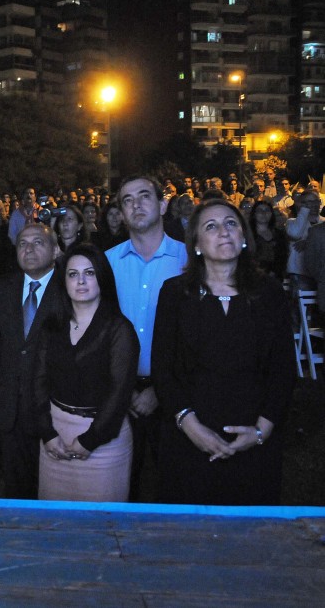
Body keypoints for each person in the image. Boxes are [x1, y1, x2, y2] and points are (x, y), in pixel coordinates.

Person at [152, 199, 295, 505]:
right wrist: (191, 427)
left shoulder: (270, 294)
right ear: (197, 245)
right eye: (211, 226)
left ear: (244, 237)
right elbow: (163, 370)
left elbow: (283, 370)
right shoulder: (174, 294)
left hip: (255, 445)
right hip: (188, 442)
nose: (224, 232)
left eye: (231, 224)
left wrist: (260, 431)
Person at [33, 244, 139, 502]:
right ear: (64, 281)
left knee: (102, 528)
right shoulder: (52, 325)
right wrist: (47, 433)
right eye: (73, 274)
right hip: (53, 440)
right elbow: (38, 381)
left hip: (103, 444)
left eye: (89, 273)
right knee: (55, 525)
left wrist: (90, 440)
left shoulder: (120, 330)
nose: (80, 281)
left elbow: (119, 392)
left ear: (102, 278)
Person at [106, 176, 188, 501]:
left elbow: (194, 335)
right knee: (124, 489)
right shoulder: (108, 263)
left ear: (163, 204)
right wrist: (121, 390)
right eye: (127, 200)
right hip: (119, 393)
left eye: (144, 196)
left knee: (176, 486)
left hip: (176, 392)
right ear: (121, 213)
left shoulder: (187, 261)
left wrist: (160, 388)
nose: (136, 204)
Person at [0, 223, 65, 499]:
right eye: (23, 243)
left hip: (52, 406)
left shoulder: (69, 288)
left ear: (55, 250)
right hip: (10, 402)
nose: (29, 249)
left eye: (38, 242)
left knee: (52, 485)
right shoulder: (3, 287)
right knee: (16, 484)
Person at [249, 200, 288, 280]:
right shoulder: (247, 234)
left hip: (275, 278)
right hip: (252, 277)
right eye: (260, 211)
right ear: (254, 214)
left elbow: (282, 256)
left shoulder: (279, 234)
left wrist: (274, 271)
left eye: (267, 210)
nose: (264, 213)